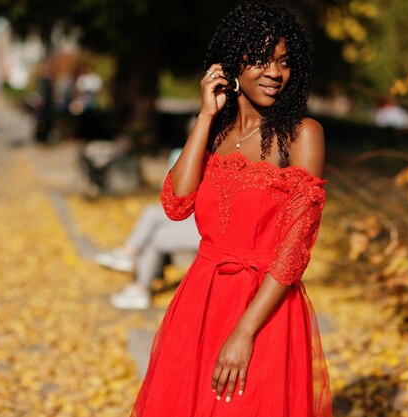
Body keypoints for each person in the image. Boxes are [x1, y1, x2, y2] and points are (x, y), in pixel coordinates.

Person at [131, 3, 332, 417]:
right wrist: (205, 115)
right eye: (260, 59)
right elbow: (176, 203)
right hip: (198, 303)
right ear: (233, 63)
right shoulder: (217, 129)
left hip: (263, 311)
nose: (274, 73)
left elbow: (294, 252)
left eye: (283, 62)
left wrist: (244, 333)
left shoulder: (302, 135)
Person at [97, 148, 201, 310]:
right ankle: (130, 257)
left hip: (209, 227)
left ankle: (138, 282)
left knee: (155, 233)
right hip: (198, 218)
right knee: (153, 216)